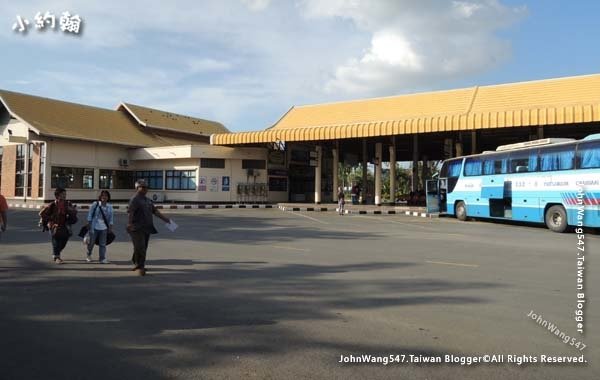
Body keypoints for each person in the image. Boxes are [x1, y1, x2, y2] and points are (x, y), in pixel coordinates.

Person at [127, 179, 170, 276]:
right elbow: (131, 212)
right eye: (142, 187)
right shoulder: (134, 199)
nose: (145, 189)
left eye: (146, 187)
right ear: (137, 188)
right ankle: (140, 266)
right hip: (136, 227)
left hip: (147, 227)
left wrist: (165, 219)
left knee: (143, 247)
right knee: (140, 247)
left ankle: (137, 262)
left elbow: (155, 211)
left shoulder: (148, 200)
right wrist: (129, 224)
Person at [39, 187, 78, 264]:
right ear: (57, 195)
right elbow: (42, 214)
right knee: (56, 241)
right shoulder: (52, 205)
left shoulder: (68, 204)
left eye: (65, 194)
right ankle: (57, 257)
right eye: (62, 194)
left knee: (64, 241)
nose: (64, 196)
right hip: (54, 225)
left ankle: (56, 252)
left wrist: (72, 211)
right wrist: (50, 219)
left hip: (65, 225)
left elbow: (74, 213)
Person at [86, 190, 114, 263]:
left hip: (104, 227)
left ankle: (102, 258)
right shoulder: (95, 204)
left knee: (102, 244)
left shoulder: (109, 206)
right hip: (94, 227)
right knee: (91, 243)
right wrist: (89, 223)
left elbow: (111, 218)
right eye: (102, 195)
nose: (104, 197)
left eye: (106, 196)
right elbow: (90, 214)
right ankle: (88, 255)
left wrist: (110, 227)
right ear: (100, 197)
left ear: (108, 197)